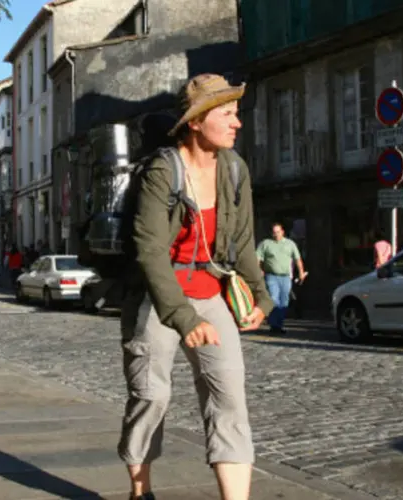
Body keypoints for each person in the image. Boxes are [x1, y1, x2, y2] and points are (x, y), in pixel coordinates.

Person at [118, 74, 274, 500]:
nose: (236, 123)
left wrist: (261, 295)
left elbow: (241, 243)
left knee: (230, 398)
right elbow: (150, 252)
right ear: (196, 121)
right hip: (160, 294)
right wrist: (183, 317)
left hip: (211, 293)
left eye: (236, 114)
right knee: (152, 395)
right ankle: (140, 491)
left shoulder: (235, 170)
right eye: (226, 114)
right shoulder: (162, 172)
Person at [256, 223, 307, 334]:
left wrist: (301, 272)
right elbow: (257, 258)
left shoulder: (290, 244)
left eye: (278, 232)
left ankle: (279, 324)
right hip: (271, 276)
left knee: (284, 302)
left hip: (285, 277)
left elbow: (297, 259)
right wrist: (259, 269)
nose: (276, 234)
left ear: (282, 232)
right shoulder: (266, 244)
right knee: (274, 299)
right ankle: (274, 325)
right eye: (274, 232)